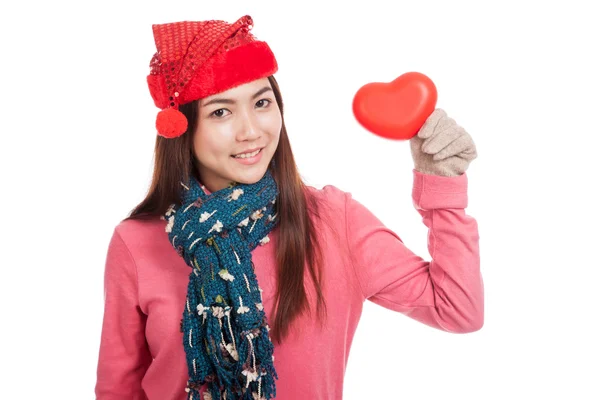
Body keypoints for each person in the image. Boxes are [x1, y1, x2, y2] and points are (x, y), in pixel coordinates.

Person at [94, 14, 483, 400]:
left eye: (262, 102)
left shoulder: (333, 219)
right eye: (221, 111)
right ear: (181, 127)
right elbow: (118, 390)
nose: (251, 131)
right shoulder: (136, 242)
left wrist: (443, 185)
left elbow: (457, 309)